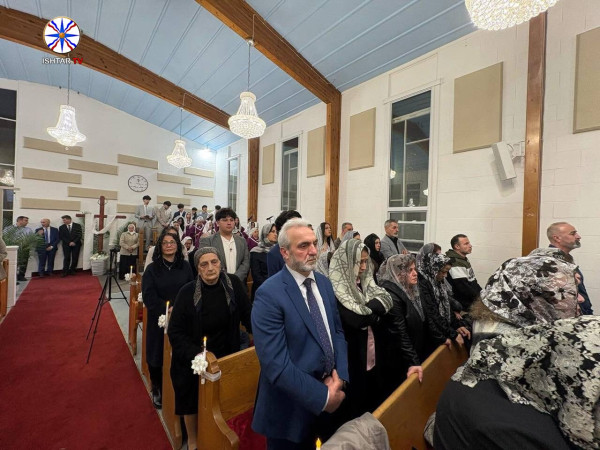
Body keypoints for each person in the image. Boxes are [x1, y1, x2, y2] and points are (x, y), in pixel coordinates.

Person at [434, 247, 586, 450]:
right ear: (530, 298)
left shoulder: (526, 339)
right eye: (564, 292)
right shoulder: (500, 343)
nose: (580, 299)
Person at [252, 219, 349, 449]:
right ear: (285, 253)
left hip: (330, 394)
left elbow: (337, 332)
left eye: (314, 243)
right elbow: (276, 365)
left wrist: (340, 378)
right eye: (303, 246)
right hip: (290, 410)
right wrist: (324, 397)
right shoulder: (269, 294)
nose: (313, 251)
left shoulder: (324, 284)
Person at [168, 247, 252, 450]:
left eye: (214, 262)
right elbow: (175, 332)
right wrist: (198, 355)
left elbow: (249, 316)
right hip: (194, 356)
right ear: (198, 269)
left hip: (226, 351)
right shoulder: (187, 292)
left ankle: (220, 431)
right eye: (204, 264)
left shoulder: (233, 284)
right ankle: (193, 440)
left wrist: (262, 338)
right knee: (189, 389)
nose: (210, 268)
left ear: (220, 263)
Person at [328, 239, 393, 418]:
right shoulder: (336, 288)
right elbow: (355, 320)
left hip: (371, 350)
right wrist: (374, 312)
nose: (364, 267)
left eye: (365, 261)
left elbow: (386, 301)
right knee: (353, 404)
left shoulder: (365, 282)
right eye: (359, 262)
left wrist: (367, 311)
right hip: (351, 354)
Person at [142, 231, 193, 409]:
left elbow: (192, 288)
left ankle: (182, 385)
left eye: (172, 242)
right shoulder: (152, 269)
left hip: (182, 316)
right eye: (165, 243)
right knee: (157, 352)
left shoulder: (185, 266)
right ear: (160, 247)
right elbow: (148, 295)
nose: (169, 245)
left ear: (178, 245)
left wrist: (180, 308)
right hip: (160, 317)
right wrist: (167, 308)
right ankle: (157, 386)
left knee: (182, 351)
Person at [377, 254, 434, 398]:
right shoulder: (391, 295)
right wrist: (413, 361)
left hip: (413, 351)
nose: (415, 273)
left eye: (415, 269)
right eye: (410, 270)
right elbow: (400, 332)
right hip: (398, 360)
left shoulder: (410, 289)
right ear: (399, 273)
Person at [418, 252, 470, 351]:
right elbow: (432, 313)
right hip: (431, 334)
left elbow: (447, 306)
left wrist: (457, 326)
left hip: (443, 328)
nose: (445, 275)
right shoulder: (423, 284)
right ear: (434, 269)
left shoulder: (438, 281)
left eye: (447, 272)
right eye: (443, 271)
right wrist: (452, 334)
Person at [547, 222, 594, 315]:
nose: (578, 237)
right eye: (573, 233)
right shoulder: (549, 263)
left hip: (582, 313)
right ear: (557, 238)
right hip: (567, 317)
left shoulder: (565, 259)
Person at [198, 207, 250, 282]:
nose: (229, 223)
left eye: (231, 220)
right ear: (217, 223)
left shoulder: (242, 241)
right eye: (225, 220)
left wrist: (235, 280)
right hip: (217, 283)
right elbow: (205, 263)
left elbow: (245, 262)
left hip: (239, 283)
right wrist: (226, 281)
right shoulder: (208, 241)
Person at [445, 234, 481, 311]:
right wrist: (479, 298)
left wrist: (483, 294)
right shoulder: (455, 262)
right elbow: (463, 288)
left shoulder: (463, 259)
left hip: (471, 302)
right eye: (466, 244)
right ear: (457, 246)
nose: (470, 246)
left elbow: (472, 281)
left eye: (469, 243)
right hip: (463, 306)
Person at [267, 210, 302, 277]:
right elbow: (275, 280)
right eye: (294, 226)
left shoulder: (306, 248)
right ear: (283, 230)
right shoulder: (274, 254)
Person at [249, 223, 277, 302]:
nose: (275, 234)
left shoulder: (277, 251)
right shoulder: (256, 251)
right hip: (261, 290)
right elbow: (256, 276)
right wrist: (270, 288)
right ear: (266, 233)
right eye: (273, 232)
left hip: (277, 290)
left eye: (276, 232)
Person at [4, 216, 33, 281]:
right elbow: (5, 237)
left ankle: (21, 276)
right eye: (26, 220)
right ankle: (13, 278)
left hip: (25, 248)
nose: (27, 222)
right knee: (14, 263)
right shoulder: (9, 228)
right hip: (14, 249)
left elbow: (31, 238)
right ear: (20, 220)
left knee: (24, 263)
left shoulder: (28, 229)